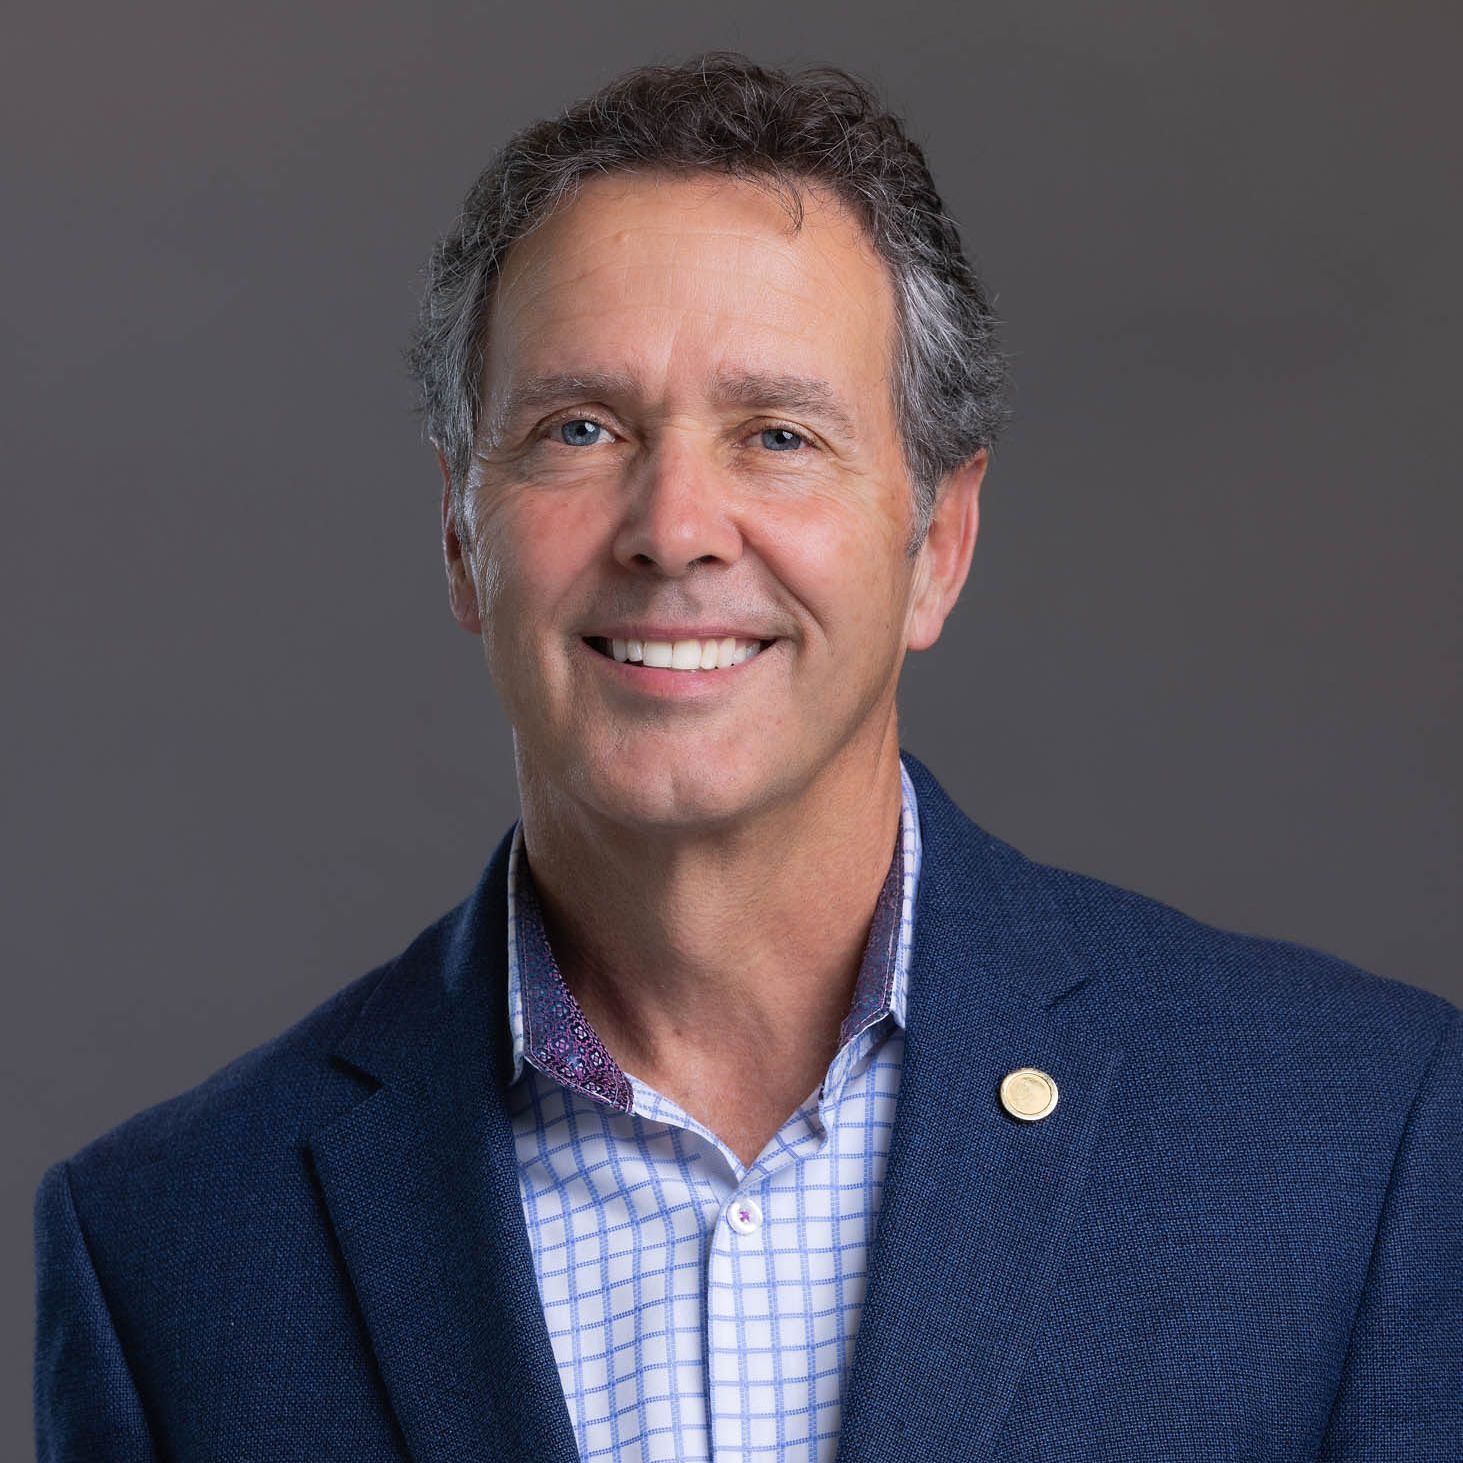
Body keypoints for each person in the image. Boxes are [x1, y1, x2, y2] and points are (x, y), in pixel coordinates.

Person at [34, 53, 1460, 1463]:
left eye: (778, 436)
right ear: (463, 535)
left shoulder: (1352, 1151)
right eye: (579, 429)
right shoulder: (171, 1252)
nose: (675, 526)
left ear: (938, 546)